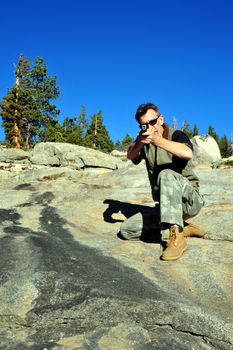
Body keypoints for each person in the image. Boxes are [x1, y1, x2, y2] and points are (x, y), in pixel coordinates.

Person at [120, 102, 205, 261]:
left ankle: (176, 240)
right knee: (127, 230)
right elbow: (131, 157)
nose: (149, 127)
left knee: (166, 174)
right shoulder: (144, 142)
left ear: (160, 119)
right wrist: (140, 142)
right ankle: (183, 228)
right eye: (144, 125)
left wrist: (157, 140)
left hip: (189, 201)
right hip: (166, 206)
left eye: (152, 122)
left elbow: (187, 153)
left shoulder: (176, 135)